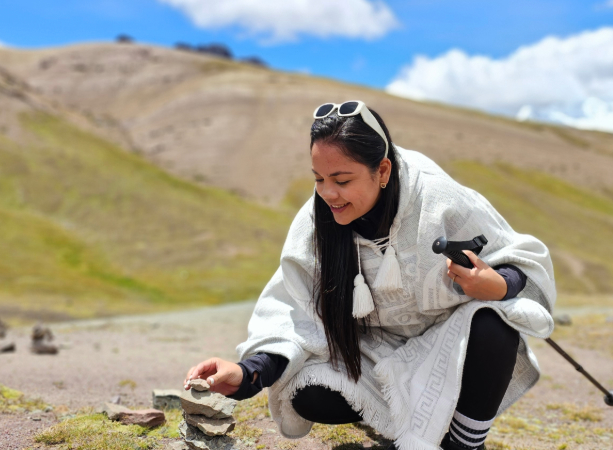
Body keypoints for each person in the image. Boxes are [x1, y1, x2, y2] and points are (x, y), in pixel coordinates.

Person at [184, 100, 556, 450]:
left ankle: (462, 443)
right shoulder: (315, 223)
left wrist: (498, 284)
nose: (328, 193)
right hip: (377, 354)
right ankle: (406, 419)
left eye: (342, 180)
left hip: (451, 345)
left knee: (495, 324)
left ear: (383, 171)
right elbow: (295, 312)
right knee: (307, 394)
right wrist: (248, 373)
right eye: (319, 179)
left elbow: (520, 258)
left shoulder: (438, 198)